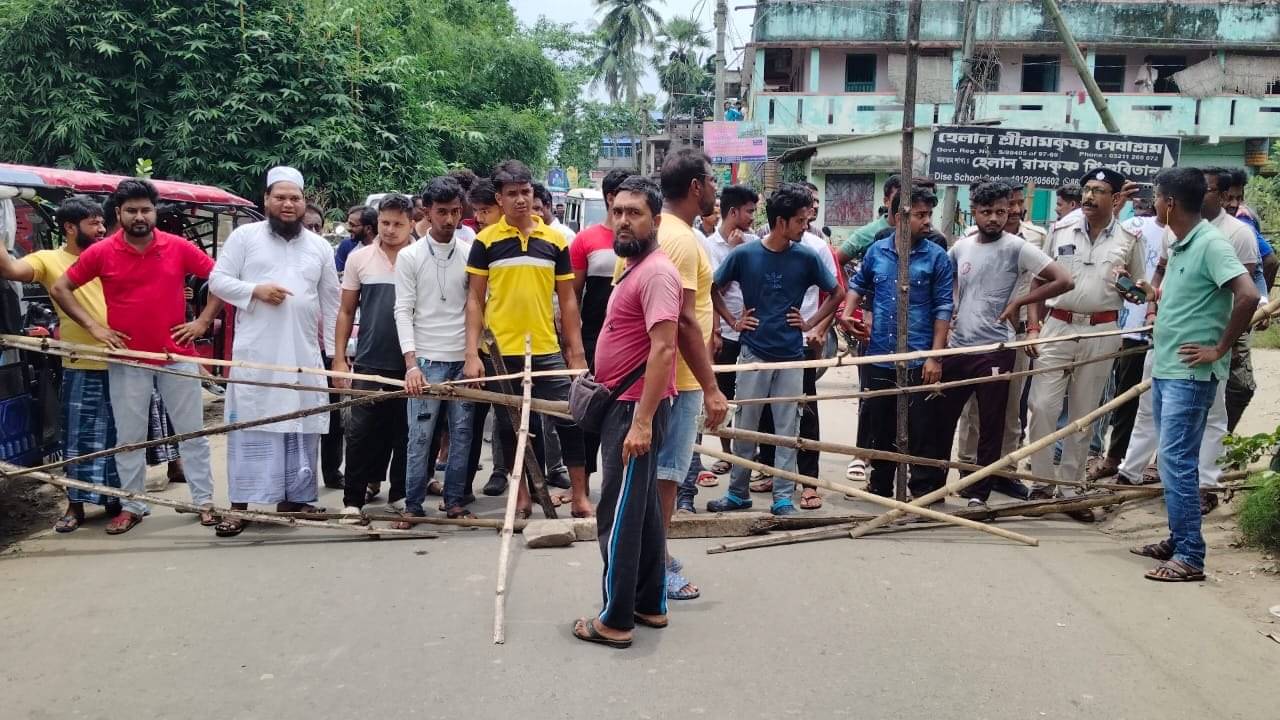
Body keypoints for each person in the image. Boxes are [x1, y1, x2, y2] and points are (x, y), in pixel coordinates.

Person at [51, 179, 222, 534]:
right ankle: (133, 505)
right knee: (129, 438)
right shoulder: (101, 252)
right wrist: (94, 327)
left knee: (192, 434)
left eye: (146, 209)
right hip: (128, 358)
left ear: (154, 211)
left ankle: (204, 502)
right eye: (132, 210)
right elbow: (60, 288)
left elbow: (220, 279)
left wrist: (203, 321)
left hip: (177, 355)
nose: (140, 216)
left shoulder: (177, 247)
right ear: (119, 213)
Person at [570, 176, 682, 649]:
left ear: (655, 220)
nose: (622, 221)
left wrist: (639, 422)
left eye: (633, 213)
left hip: (635, 408)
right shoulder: (634, 268)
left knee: (615, 513)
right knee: (642, 513)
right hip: (626, 403)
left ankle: (615, 620)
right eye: (616, 211)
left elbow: (663, 349)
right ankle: (650, 603)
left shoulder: (656, 272)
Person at [1130, 167, 1257, 582]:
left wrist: (1219, 348)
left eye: (1156, 196)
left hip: (1191, 374)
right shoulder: (1181, 242)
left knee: (1179, 462)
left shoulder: (1211, 244)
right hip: (1169, 367)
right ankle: (1177, 536)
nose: (1154, 203)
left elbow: (1248, 294)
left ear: (1169, 202)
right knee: (1171, 462)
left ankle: (1190, 555)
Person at [207, 166, 340, 536]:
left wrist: (335, 355)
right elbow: (217, 280)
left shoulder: (319, 247)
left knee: (300, 426)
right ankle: (239, 506)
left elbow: (331, 301)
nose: (287, 204)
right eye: (280, 197)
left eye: (294, 198)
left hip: (302, 356)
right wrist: (255, 291)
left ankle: (294, 501)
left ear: (303, 202)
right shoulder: (244, 237)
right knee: (251, 426)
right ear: (265, 200)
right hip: (257, 357)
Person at [924, 181, 1071, 508]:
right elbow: (945, 288)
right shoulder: (961, 247)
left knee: (992, 424)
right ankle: (933, 487)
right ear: (974, 210)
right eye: (986, 211)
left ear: (1011, 211)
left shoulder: (1018, 247)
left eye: (1001, 212)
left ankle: (979, 493)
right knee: (943, 419)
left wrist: (1020, 301)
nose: (993, 218)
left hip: (996, 350)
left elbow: (1063, 279)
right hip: (958, 348)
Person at [464, 160, 592, 518]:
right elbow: (474, 299)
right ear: (499, 199)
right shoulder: (485, 242)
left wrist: (576, 353)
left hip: (546, 348)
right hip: (501, 353)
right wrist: (471, 353)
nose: (520, 200)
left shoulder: (554, 240)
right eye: (512, 194)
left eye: (525, 192)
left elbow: (567, 299)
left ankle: (581, 498)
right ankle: (521, 496)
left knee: (569, 417)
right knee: (512, 425)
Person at [705, 183, 843, 515]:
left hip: (792, 356)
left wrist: (810, 323)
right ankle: (738, 492)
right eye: (800, 220)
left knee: (787, 427)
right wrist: (733, 321)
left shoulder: (807, 256)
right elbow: (712, 287)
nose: (805, 226)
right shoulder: (745, 255)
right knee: (746, 426)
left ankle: (783, 496)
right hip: (753, 354)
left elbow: (836, 293)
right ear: (781, 222)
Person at [1025, 168, 1149, 518]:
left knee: (1085, 414)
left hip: (1100, 330)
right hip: (1057, 327)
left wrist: (1128, 286)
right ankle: (1040, 484)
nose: (1089, 197)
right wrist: (1033, 328)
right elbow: (1038, 281)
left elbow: (1139, 294)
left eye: (1099, 191)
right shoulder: (1060, 230)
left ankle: (1070, 490)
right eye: (1087, 189)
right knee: (1042, 407)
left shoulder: (1129, 238)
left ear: (1115, 198)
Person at [637, 149, 729, 600]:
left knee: (660, 475)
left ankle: (656, 555)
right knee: (667, 476)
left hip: (670, 374)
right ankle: (656, 567)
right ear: (696, 186)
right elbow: (684, 321)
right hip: (679, 379)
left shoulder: (665, 232)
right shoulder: (681, 240)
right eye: (712, 179)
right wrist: (711, 387)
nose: (716, 188)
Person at [0, 196, 118, 532]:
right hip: (81, 363)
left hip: (127, 361)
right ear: (69, 227)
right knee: (78, 438)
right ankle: (76, 506)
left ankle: (118, 500)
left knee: (120, 437)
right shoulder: (50, 259)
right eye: (93, 223)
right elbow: (9, 269)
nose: (100, 229)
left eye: (100, 222)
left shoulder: (113, 255)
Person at [839, 186, 953, 499]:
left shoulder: (938, 257)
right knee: (881, 424)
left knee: (922, 427)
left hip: (919, 356)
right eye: (920, 215)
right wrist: (847, 314)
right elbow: (858, 284)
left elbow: (944, 307)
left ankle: (923, 489)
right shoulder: (877, 252)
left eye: (929, 214)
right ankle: (881, 483)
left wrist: (935, 357)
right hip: (879, 353)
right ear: (899, 217)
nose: (927, 221)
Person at [954, 182, 1048, 491]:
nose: (1005, 213)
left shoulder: (1034, 240)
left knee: (1009, 409)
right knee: (973, 411)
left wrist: (1033, 327)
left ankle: (1004, 471)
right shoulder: (967, 242)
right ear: (977, 209)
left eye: (1012, 205)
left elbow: (1040, 285)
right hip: (972, 337)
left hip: (1014, 335)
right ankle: (969, 469)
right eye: (988, 210)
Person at [395, 177, 475, 523]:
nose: (449, 220)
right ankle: (413, 506)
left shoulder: (472, 254)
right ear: (426, 212)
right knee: (421, 437)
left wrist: (475, 356)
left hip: (462, 360)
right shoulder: (409, 256)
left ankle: (454, 501)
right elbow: (403, 310)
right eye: (441, 212)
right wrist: (411, 364)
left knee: (461, 436)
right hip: (426, 360)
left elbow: (477, 306)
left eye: (455, 212)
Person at [334, 194, 414, 521]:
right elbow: (346, 310)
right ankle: (352, 499)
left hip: (411, 363)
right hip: (368, 359)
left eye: (398, 223)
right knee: (359, 432)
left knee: (406, 432)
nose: (391, 230)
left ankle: (400, 493)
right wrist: (340, 359)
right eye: (385, 223)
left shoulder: (419, 258)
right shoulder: (359, 258)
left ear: (411, 223)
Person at [1088, 198, 1162, 481]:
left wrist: (1152, 308)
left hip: (1163, 332)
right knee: (1126, 397)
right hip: (1132, 329)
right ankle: (1114, 457)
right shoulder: (1133, 227)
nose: (1146, 204)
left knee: (1160, 402)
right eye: (1141, 200)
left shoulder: (1182, 233)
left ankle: (1155, 464)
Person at [689, 183, 758, 487]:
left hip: (752, 330)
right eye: (749, 211)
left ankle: (748, 455)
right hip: (723, 333)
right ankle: (725, 454)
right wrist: (718, 328)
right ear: (734, 212)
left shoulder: (756, 242)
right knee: (720, 394)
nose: (753, 217)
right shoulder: (708, 245)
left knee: (750, 397)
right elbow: (711, 289)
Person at [570, 169, 630, 479]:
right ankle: (582, 487)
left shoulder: (640, 242)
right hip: (594, 341)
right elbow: (572, 298)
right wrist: (574, 347)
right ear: (610, 198)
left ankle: (618, 485)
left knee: (625, 416)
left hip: (632, 344)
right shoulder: (586, 239)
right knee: (589, 412)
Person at [837, 175, 900, 264]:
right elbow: (837, 260)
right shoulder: (868, 232)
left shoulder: (916, 231)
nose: (904, 204)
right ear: (886, 201)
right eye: (898, 199)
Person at [335, 205, 376, 273]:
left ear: (368, 228)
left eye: (353, 225)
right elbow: (337, 273)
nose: (348, 229)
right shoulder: (346, 245)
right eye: (348, 224)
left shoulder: (384, 248)